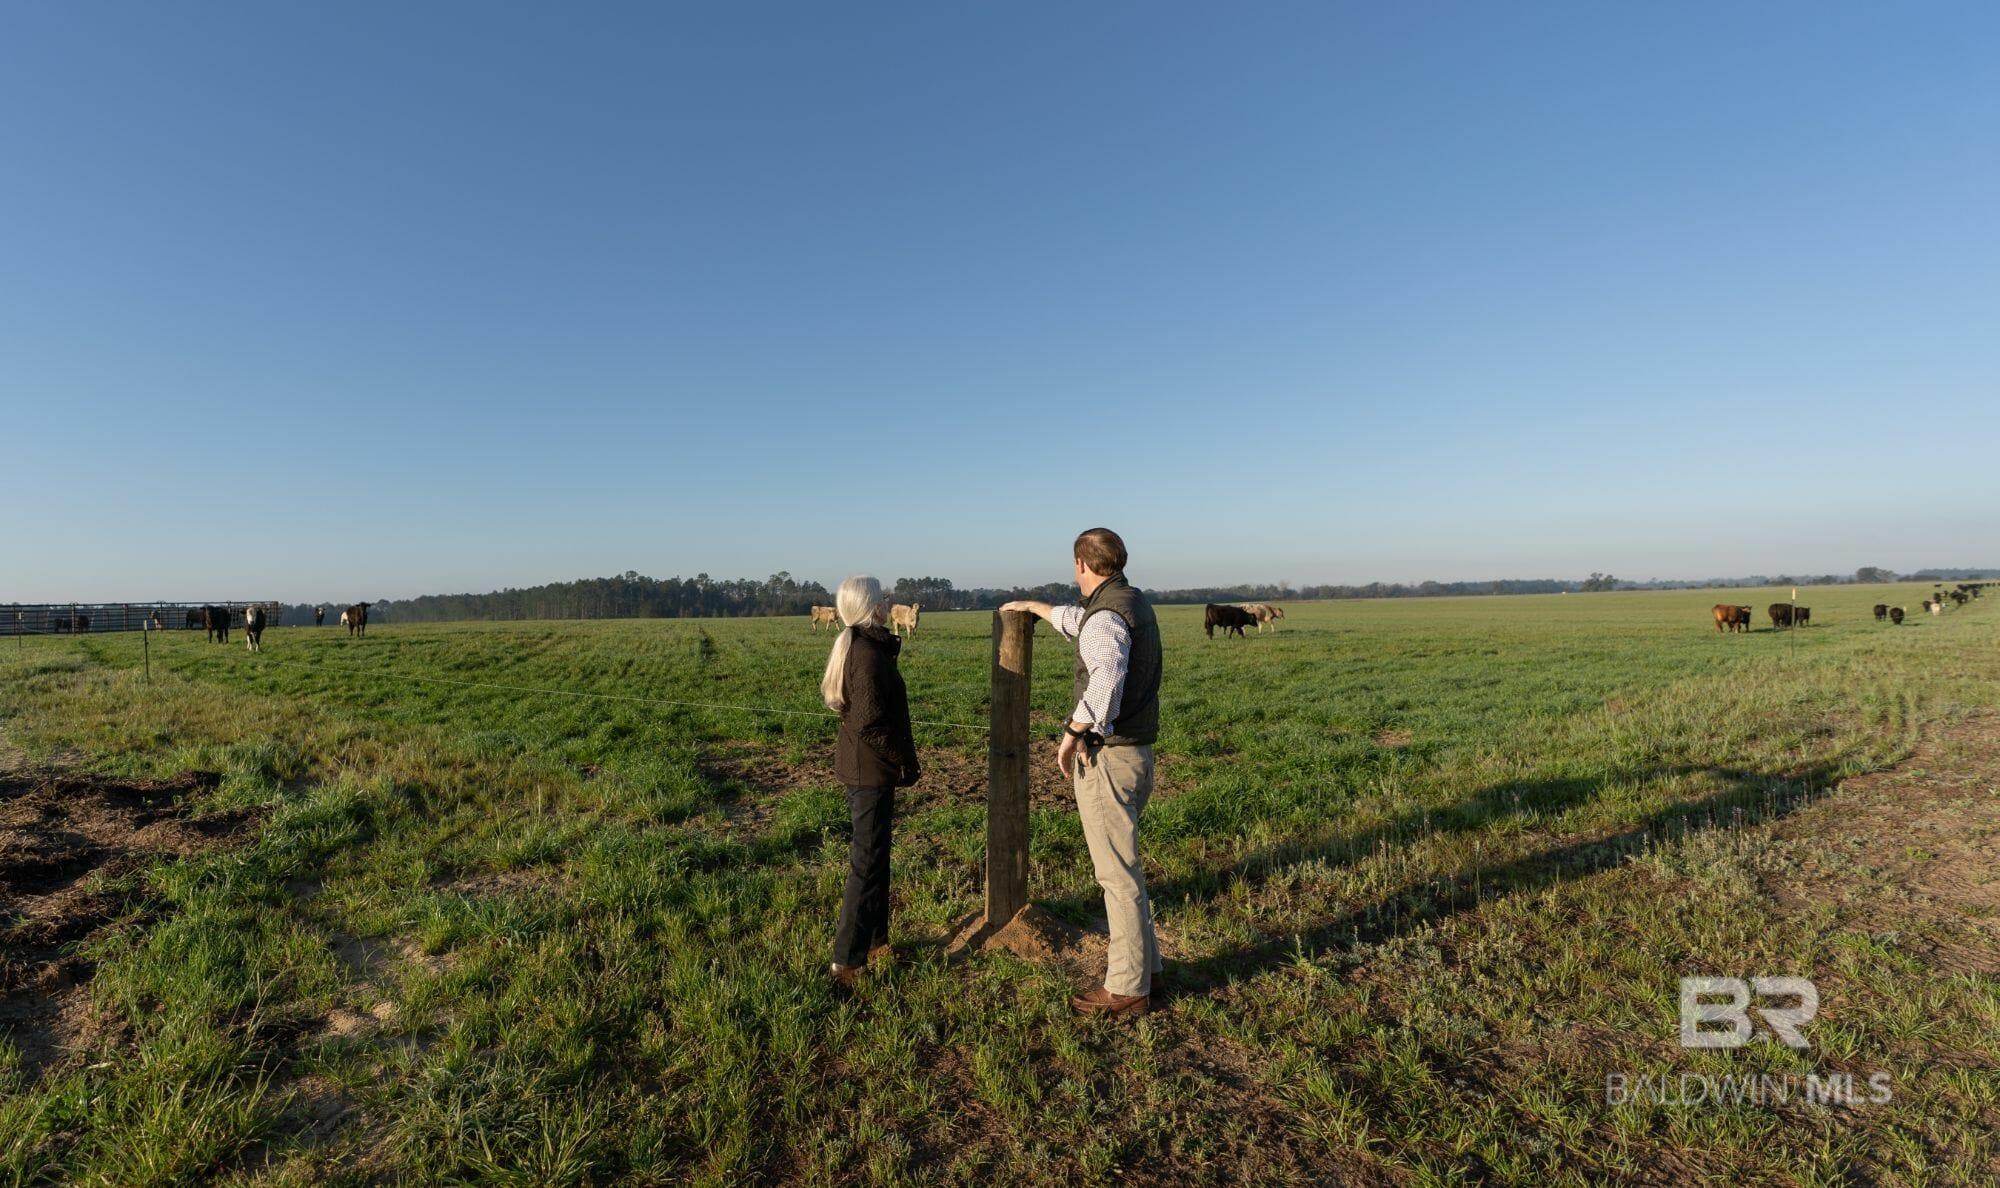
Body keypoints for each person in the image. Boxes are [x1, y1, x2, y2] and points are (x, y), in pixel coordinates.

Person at [1001, 527, 1163, 1017]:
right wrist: (1039, 608)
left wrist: (1075, 729)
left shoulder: (1107, 615)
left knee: (1116, 875)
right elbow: (1086, 625)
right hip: (1136, 753)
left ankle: (1127, 987)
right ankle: (1148, 968)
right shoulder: (1130, 602)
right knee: (1126, 867)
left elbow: (1107, 671)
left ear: (1080, 564)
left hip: (1108, 757)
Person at [821, 574, 921, 989]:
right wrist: (905, 760)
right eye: (882, 599)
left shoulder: (862, 646)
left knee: (875, 858)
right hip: (871, 771)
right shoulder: (867, 654)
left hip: (867, 768)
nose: (887, 604)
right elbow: (870, 724)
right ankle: (846, 962)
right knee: (865, 864)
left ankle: (878, 942)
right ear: (873, 608)